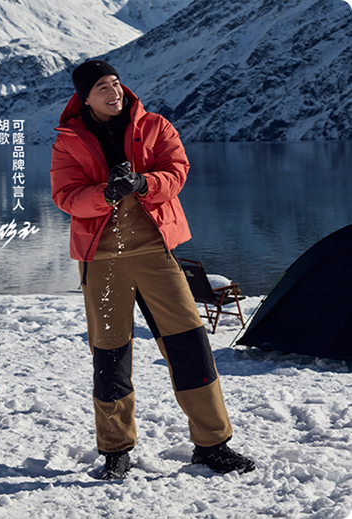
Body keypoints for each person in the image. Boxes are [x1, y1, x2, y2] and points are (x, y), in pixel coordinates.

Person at [50, 60, 255, 480]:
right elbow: (66, 196)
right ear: (85, 98)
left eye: (116, 83)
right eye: (103, 87)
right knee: (110, 356)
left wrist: (144, 183)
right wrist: (106, 193)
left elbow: (177, 171)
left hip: (155, 254)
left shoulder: (155, 125)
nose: (114, 92)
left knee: (190, 345)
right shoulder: (68, 141)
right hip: (102, 260)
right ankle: (115, 451)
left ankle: (213, 445)